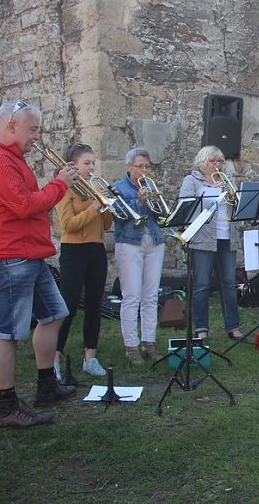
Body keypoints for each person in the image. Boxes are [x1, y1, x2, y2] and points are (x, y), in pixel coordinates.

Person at [0, 100, 77, 427]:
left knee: (55, 315)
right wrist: (60, 184)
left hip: (29, 254)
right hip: (7, 256)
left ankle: (46, 385)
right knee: (6, 334)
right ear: (11, 126)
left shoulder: (12, 159)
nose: (36, 137)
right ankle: (6, 407)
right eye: (32, 130)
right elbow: (23, 205)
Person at [54, 144, 112, 379]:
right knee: (67, 306)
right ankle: (54, 357)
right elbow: (68, 225)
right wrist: (94, 207)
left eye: (92, 163)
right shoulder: (64, 189)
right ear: (73, 165)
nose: (91, 167)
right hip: (74, 251)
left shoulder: (94, 188)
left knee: (94, 304)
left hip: (96, 250)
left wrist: (106, 205)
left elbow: (106, 225)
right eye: (86, 163)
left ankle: (90, 357)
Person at [179, 146, 244, 340]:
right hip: (203, 239)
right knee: (202, 284)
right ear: (202, 162)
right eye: (212, 161)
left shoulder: (227, 181)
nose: (216, 165)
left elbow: (236, 210)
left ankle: (233, 326)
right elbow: (186, 205)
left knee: (229, 283)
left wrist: (233, 198)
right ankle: (201, 328)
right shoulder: (192, 181)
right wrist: (209, 193)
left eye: (219, 162)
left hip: (226, 237)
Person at [112, 147, 165, 364]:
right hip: (129, 243)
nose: (143, 171)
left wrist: (157, 201)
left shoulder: (149, 185)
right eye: (139, 166)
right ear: (128, 167)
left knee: (151, 295)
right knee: (132, 295)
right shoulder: (117, 188)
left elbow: (161, 216)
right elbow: (120, 215)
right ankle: (131, 346)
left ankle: (149, 342)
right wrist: (140, 202)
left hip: (154, 241)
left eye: (146, 166)